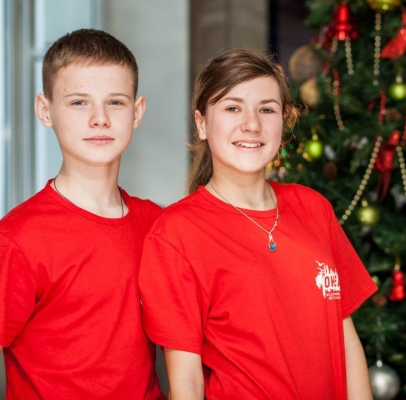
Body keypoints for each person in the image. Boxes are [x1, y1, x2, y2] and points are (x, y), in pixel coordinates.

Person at [138, 48, 378, 399]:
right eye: (233, 108)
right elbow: (186, 382)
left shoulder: (314, 208)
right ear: (202, 123)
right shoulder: (176, 233)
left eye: (267, 109)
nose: (252, 124)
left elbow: (346, 343)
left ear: (284, 120)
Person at [0, 29, 165, 400]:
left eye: (115, 102)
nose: (100, 118)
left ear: (137, 112)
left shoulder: (159, 225)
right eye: (78, 103)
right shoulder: (17, 241)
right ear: (45, 110)